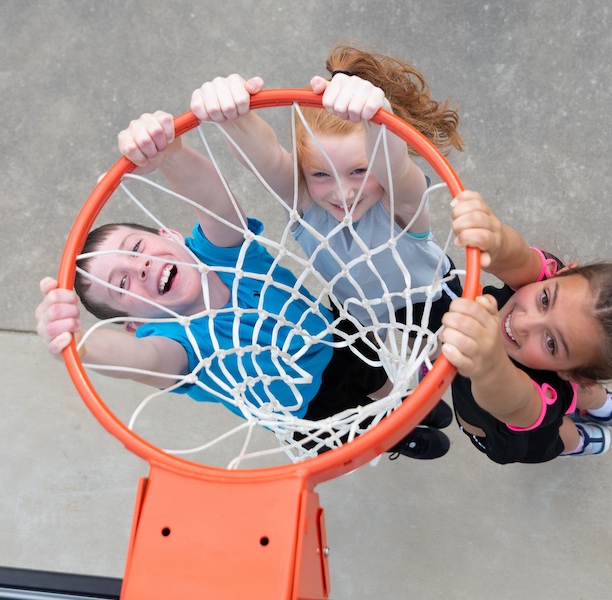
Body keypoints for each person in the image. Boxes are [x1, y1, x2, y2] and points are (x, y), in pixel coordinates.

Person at [35, 110, 450, 459]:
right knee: (357, 440)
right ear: (132, 324)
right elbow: (141, 360)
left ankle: (399, 406)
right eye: (121, 283)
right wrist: (80, 345)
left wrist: (169, 154)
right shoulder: (173, 342)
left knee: (375, 377)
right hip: (306, 412)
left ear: (172, 236)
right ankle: (394, 436)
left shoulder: (223, 253)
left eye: (137, 247)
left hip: (338, 339)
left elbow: (212, 198)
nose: (140, 268)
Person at [189, 43, 464, 430]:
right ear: (304, 172)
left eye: (357, 171)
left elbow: (395, 164)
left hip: (425, 298)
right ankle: (404, 412)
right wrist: (232, 115)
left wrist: (375, 117)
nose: (342, 193)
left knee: (436, 356)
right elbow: (264, 155)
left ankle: (425, 386)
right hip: (356, 309)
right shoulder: (305, 205)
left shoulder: (402, 203)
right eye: (321, 174)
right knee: (372, 373)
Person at [437, 191, 612, 464]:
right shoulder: (551, 279)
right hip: (499, 425)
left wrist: (489, 366)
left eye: (551, 343)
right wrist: (496, 240)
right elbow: (518, 259)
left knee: (558, 435)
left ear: (572, 373)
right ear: (562, 272)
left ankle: (588, 423)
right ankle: (591, 420)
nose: (522, 322)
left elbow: (514, 399)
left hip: (521, 419)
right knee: (570, 415)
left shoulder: (541, 393)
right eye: (544, 299)